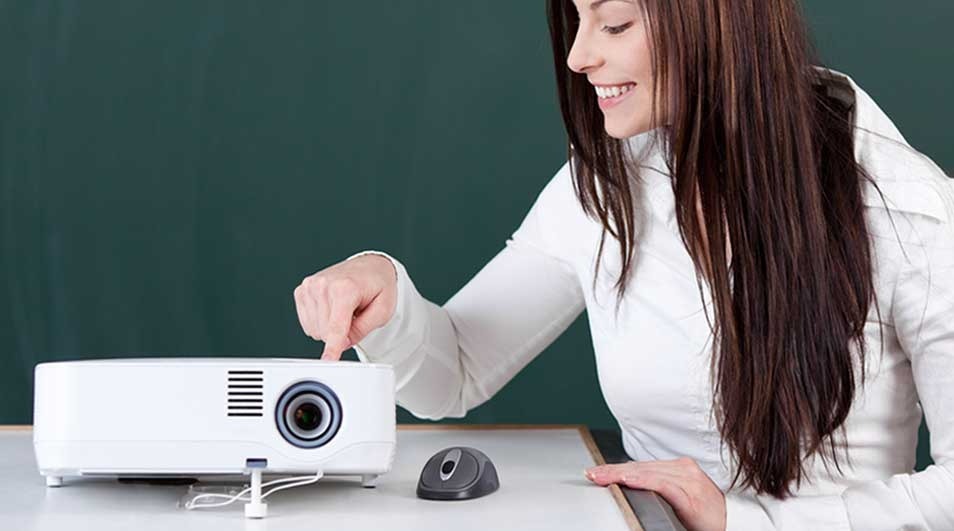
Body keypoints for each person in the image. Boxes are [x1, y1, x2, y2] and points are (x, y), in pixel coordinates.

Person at [292, 0, 954, 529]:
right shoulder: (605, 184)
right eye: (577, 20)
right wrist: (380, 287)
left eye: (614, 22)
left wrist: (742, 521)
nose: (580, 56)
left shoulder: (905, 203)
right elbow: (456, 370)